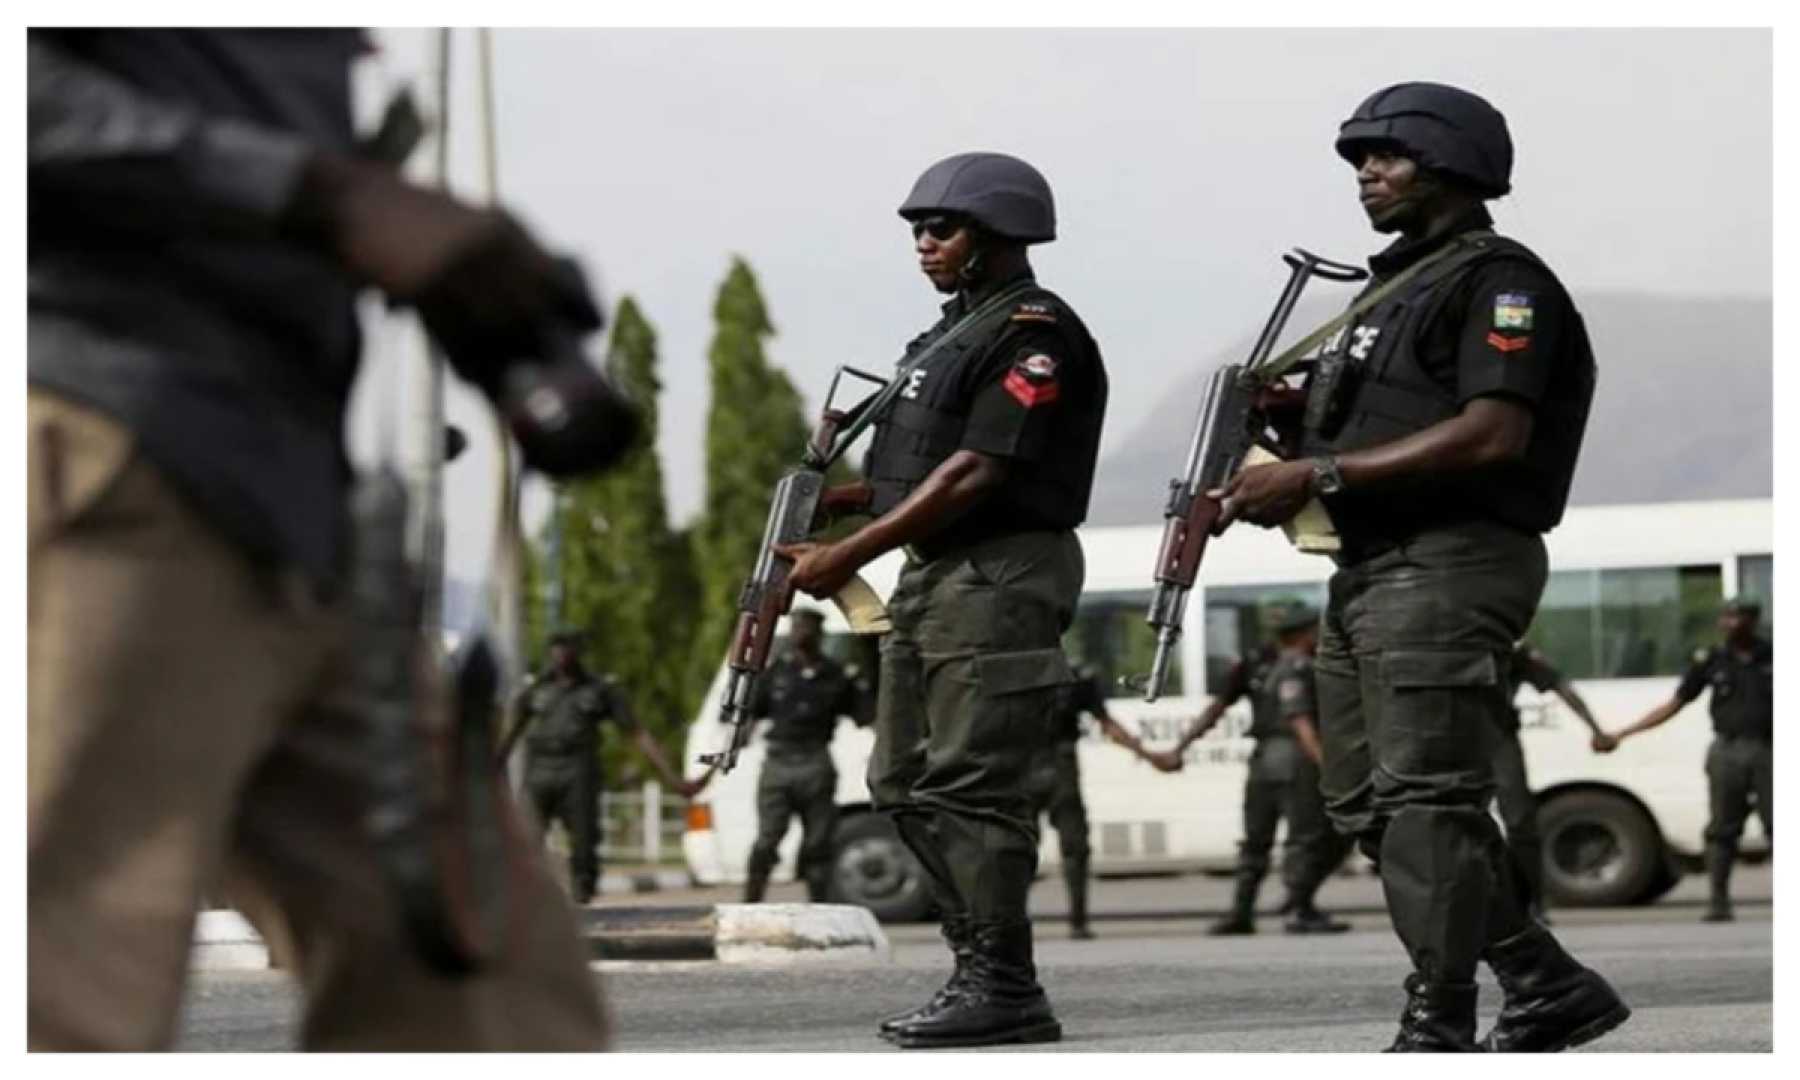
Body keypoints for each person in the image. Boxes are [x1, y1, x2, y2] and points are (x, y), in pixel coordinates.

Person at [28, 30, 620, 1049]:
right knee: (59, 993)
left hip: (293, 499)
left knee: (486, 987)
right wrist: (326, 194)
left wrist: (456, 279)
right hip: (103, 447)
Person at [1214, 82, 1628, 1051]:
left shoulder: (1502, 283)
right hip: (1369, 570)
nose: (1366, 174)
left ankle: (1438, 1020)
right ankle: (1541, 979)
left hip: (1451, 561)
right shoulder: (1389, 293)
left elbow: (1492, 434)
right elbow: (1382, 426)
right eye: (1360, 159)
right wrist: (1292, 428)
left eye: (1386, 156)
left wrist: (1317, 472)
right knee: (1365, 801)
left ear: (1451, 164)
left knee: (1426, 801)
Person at [777, 151, 1107, 1048]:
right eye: (918, 229)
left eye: (942, 228)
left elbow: (978, 471)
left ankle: (1003, 984)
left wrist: (852, 551)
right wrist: (845, 503)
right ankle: (979, 966)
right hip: (936, 575)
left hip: (999, 574)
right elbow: (924, 472)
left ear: (998, 235)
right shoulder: (947, 337)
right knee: (900, 780)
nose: (923, 243)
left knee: (973, 785)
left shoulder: (1033, 332)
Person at [1150, 606, 1353, 936]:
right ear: (1305, 633)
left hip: (1261, 762)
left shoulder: (1257, 663)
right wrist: (1327, 767)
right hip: (1296, 759)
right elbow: (1299, 719)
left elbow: (1217, 708)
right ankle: (1298, 908)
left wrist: (1180, 748)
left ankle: (1242, 911)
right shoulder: (1303, 665)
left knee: (1255, 840)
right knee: (1306, 837)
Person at [503, 629, 694, 905]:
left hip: (578, 771)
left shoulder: (600, 689)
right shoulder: (535, 689)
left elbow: (637, 733)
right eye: (556, 647)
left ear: (578, 651)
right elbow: (509, 734)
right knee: (524, 838)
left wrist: (672, 778)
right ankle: (523, 903)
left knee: (584, 845)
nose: (560, 653)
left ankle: (583, 899)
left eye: (567, 646)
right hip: (539, 770)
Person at [1609, 598, 1772, 922]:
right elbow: (1675, 703)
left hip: (1771, 750)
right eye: (1726, 616)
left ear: (1754, 621)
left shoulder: (1774, 655)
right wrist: (1624, 733)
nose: (1730, 623)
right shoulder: (1712, 659)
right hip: (1727, 751)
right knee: (1722, 829)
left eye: (1738, 617)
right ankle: (1718, 902)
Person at [740, 608, 867, 903]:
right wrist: (736, 740)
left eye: (807, 627)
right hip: (779, 762)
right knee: (767, 840)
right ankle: (750, 903)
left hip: (815, 761)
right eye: (797, 627)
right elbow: (751, 715)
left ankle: (820, 907)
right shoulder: (775, 673)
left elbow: (864, 715)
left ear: (819, 633)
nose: (801, 633)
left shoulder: (836, 675)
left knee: (818, 844)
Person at [1024, 666, 1158, 939]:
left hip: (1032, 767)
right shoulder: (1073, 675)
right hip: (1048, 767)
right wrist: (1147, 754)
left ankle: (1016, 924)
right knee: (1063, 849)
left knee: (1030, 848)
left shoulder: (1018, 670)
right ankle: (1075, 922)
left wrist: (1145, 753)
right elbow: (1106, 723)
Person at [1494, 640, 1616, 922]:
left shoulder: (1507, 647)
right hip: (1450, 737)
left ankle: (1531, 905)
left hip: (1498, 738)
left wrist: (1595, 729)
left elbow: (1560, 686)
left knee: (1520, 821)